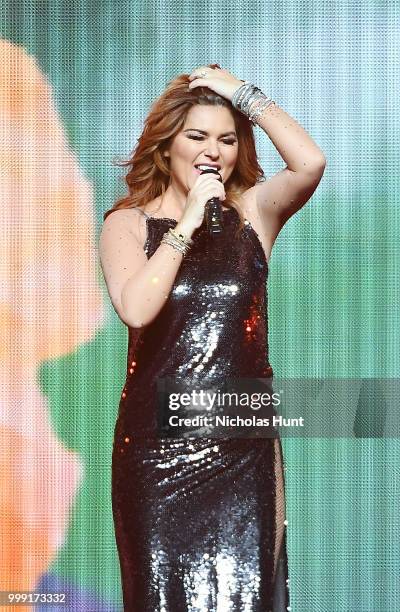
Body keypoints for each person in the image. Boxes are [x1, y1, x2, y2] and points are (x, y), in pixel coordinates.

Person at [99, 63, 326, 611]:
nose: (212, 151)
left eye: (226, 140)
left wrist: (240, 94)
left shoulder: (253, 215)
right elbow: (137, 307)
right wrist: (187, 225)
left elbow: (310, 162)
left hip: (240, 454)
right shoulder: (125, 225)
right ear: (168, 145)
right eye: (197, 136)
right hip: (157, 458)